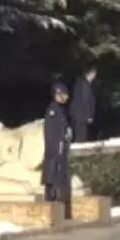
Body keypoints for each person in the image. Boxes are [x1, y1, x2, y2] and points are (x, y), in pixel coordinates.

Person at [42, 82, 73, 213]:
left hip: (61, 150)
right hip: (55, 152)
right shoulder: (52, 111)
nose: (66, 97)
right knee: (53, 180)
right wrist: (59, 144)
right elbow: (51, 133)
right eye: (64, 94)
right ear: (58, 94)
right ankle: (54, 208)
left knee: (61, 180)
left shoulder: (60, 110)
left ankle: (63, 210)